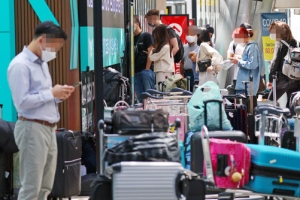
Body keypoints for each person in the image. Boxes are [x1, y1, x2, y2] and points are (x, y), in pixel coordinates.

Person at [7, 21, 74, 200]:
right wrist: (52, 92)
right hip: (31, 128)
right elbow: (22, 102)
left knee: (45, 186)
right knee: (31, 186)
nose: (55, 53)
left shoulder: (42, 64)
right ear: (43, 40)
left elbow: (42, 96)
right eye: (54, 48)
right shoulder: (20, 65)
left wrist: (58, 95)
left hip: (49, 128)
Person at [267, 21, 300, 105]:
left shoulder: (279, 43)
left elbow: (275, 62)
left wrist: (270, 79)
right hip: (295, 77)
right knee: (292, 102)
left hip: (282, 78)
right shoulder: (295, 42)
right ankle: (291, 117)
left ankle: (271, 118)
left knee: (270, 102)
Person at [127, 18, 155, 103]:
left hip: (145, 71)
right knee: (140, 97)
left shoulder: (146, 36)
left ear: (137, 24)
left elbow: (150, 52)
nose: (129, 27)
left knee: (149, 96)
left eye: (130, 25)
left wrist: (147, 69)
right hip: (135, 72)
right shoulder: (131, 39)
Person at [231, 27, 263, 95]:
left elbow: (253, 64)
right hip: (245, 85)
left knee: (245, 104)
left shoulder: (252, 47)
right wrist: (240, 59)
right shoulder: (250, 47)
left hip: (247, 86)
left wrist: (238, 62)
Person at [226, 23, 254, 87]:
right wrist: (235, 57)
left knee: (250, 96)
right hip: (237, 76)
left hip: (250, 77)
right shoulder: (234, 43)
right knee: (239, 95)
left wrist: (239, 58)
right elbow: (229, 57)